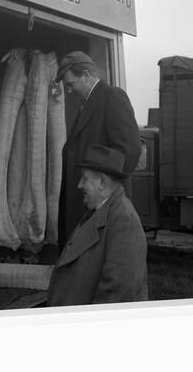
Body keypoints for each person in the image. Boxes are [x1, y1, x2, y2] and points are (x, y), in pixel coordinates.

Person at [56, 51, 141, 250]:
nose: (69, 91)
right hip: (86, 203)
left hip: (100, 206)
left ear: (86, 75)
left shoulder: (113, 97)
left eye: (70, 84)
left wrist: (103, 190)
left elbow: (130, 151)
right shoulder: (87, 105)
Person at [47, 144, 148, 306]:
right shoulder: (99, 210)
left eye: (85, 179)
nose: (80, 185)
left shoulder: (124, 222)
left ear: (102, 182)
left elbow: (118, 296)